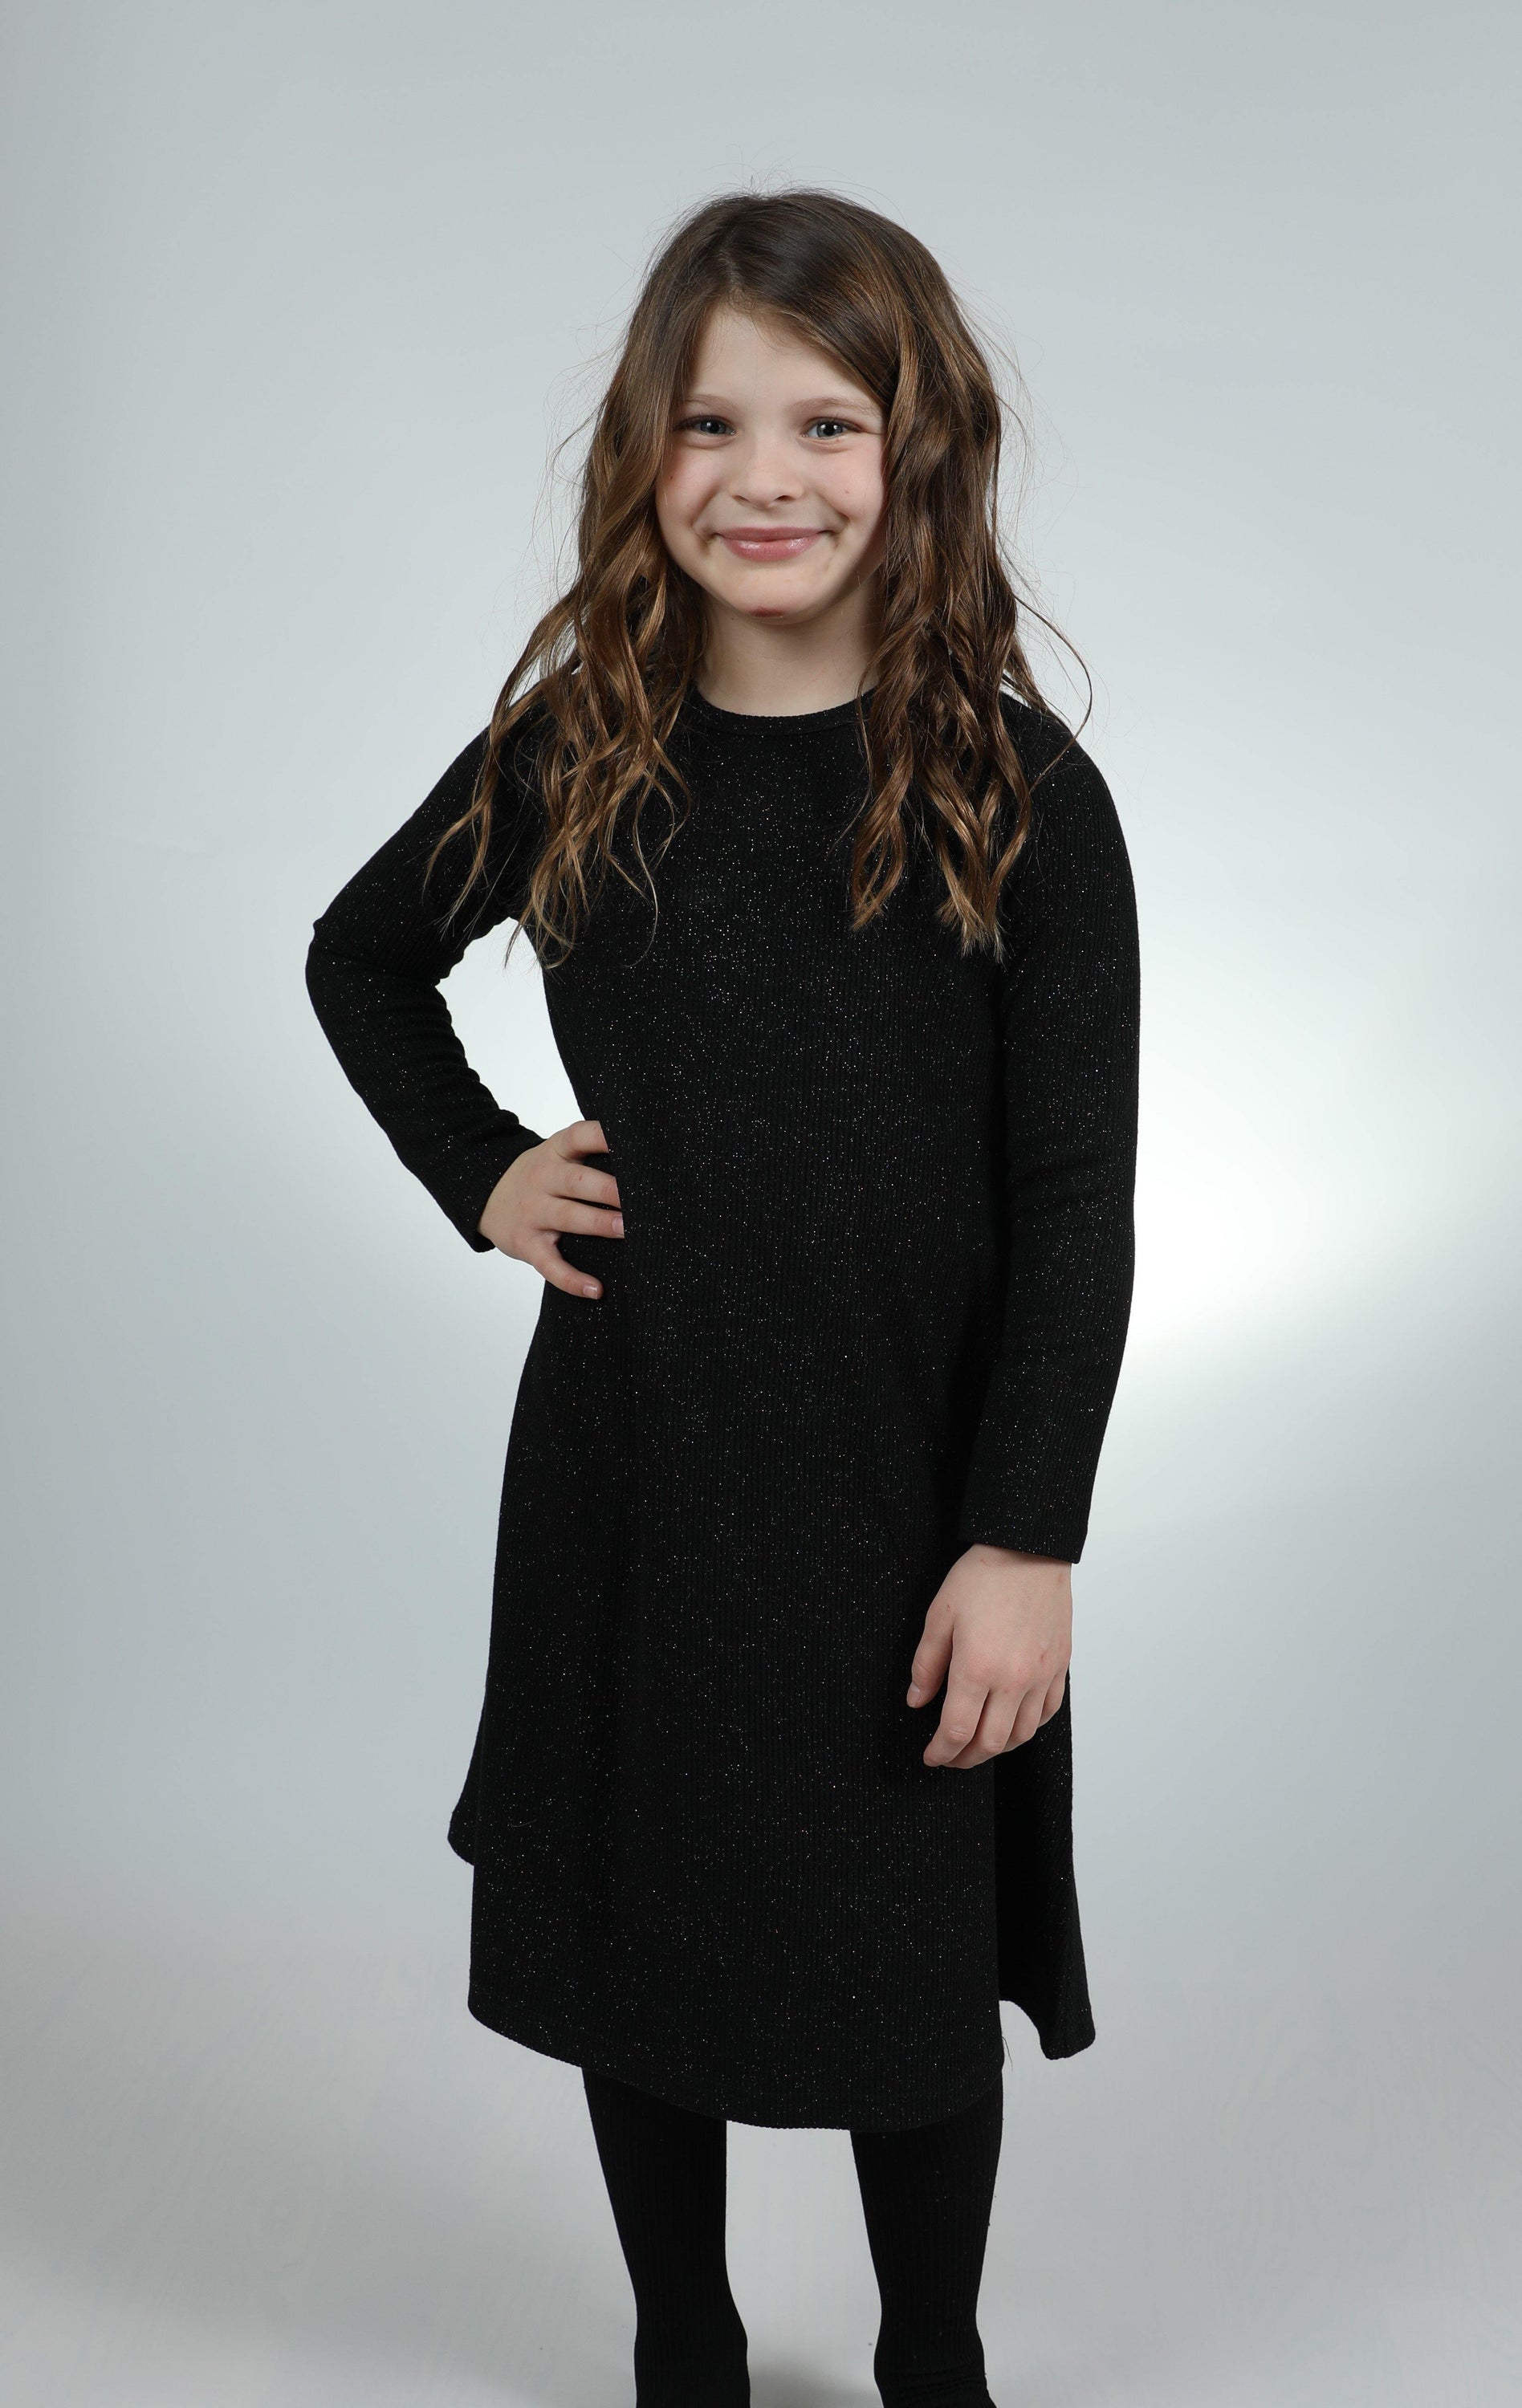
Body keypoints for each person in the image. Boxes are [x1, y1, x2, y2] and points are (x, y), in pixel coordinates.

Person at [304, 185, 1141, 2408]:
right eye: (710, 425)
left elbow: (1077, 1204)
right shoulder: (578, 748)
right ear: (641, 457)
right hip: (639, 1472)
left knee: (906, 1956)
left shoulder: (1020, 794)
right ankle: (684, 2339)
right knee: (642, 1924)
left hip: (910, 1498)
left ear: (919, 451)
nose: (765, 476)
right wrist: (482, 1168)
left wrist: (1028, 1534)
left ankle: (934, 2359)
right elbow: (361, 958)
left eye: (826, 424)